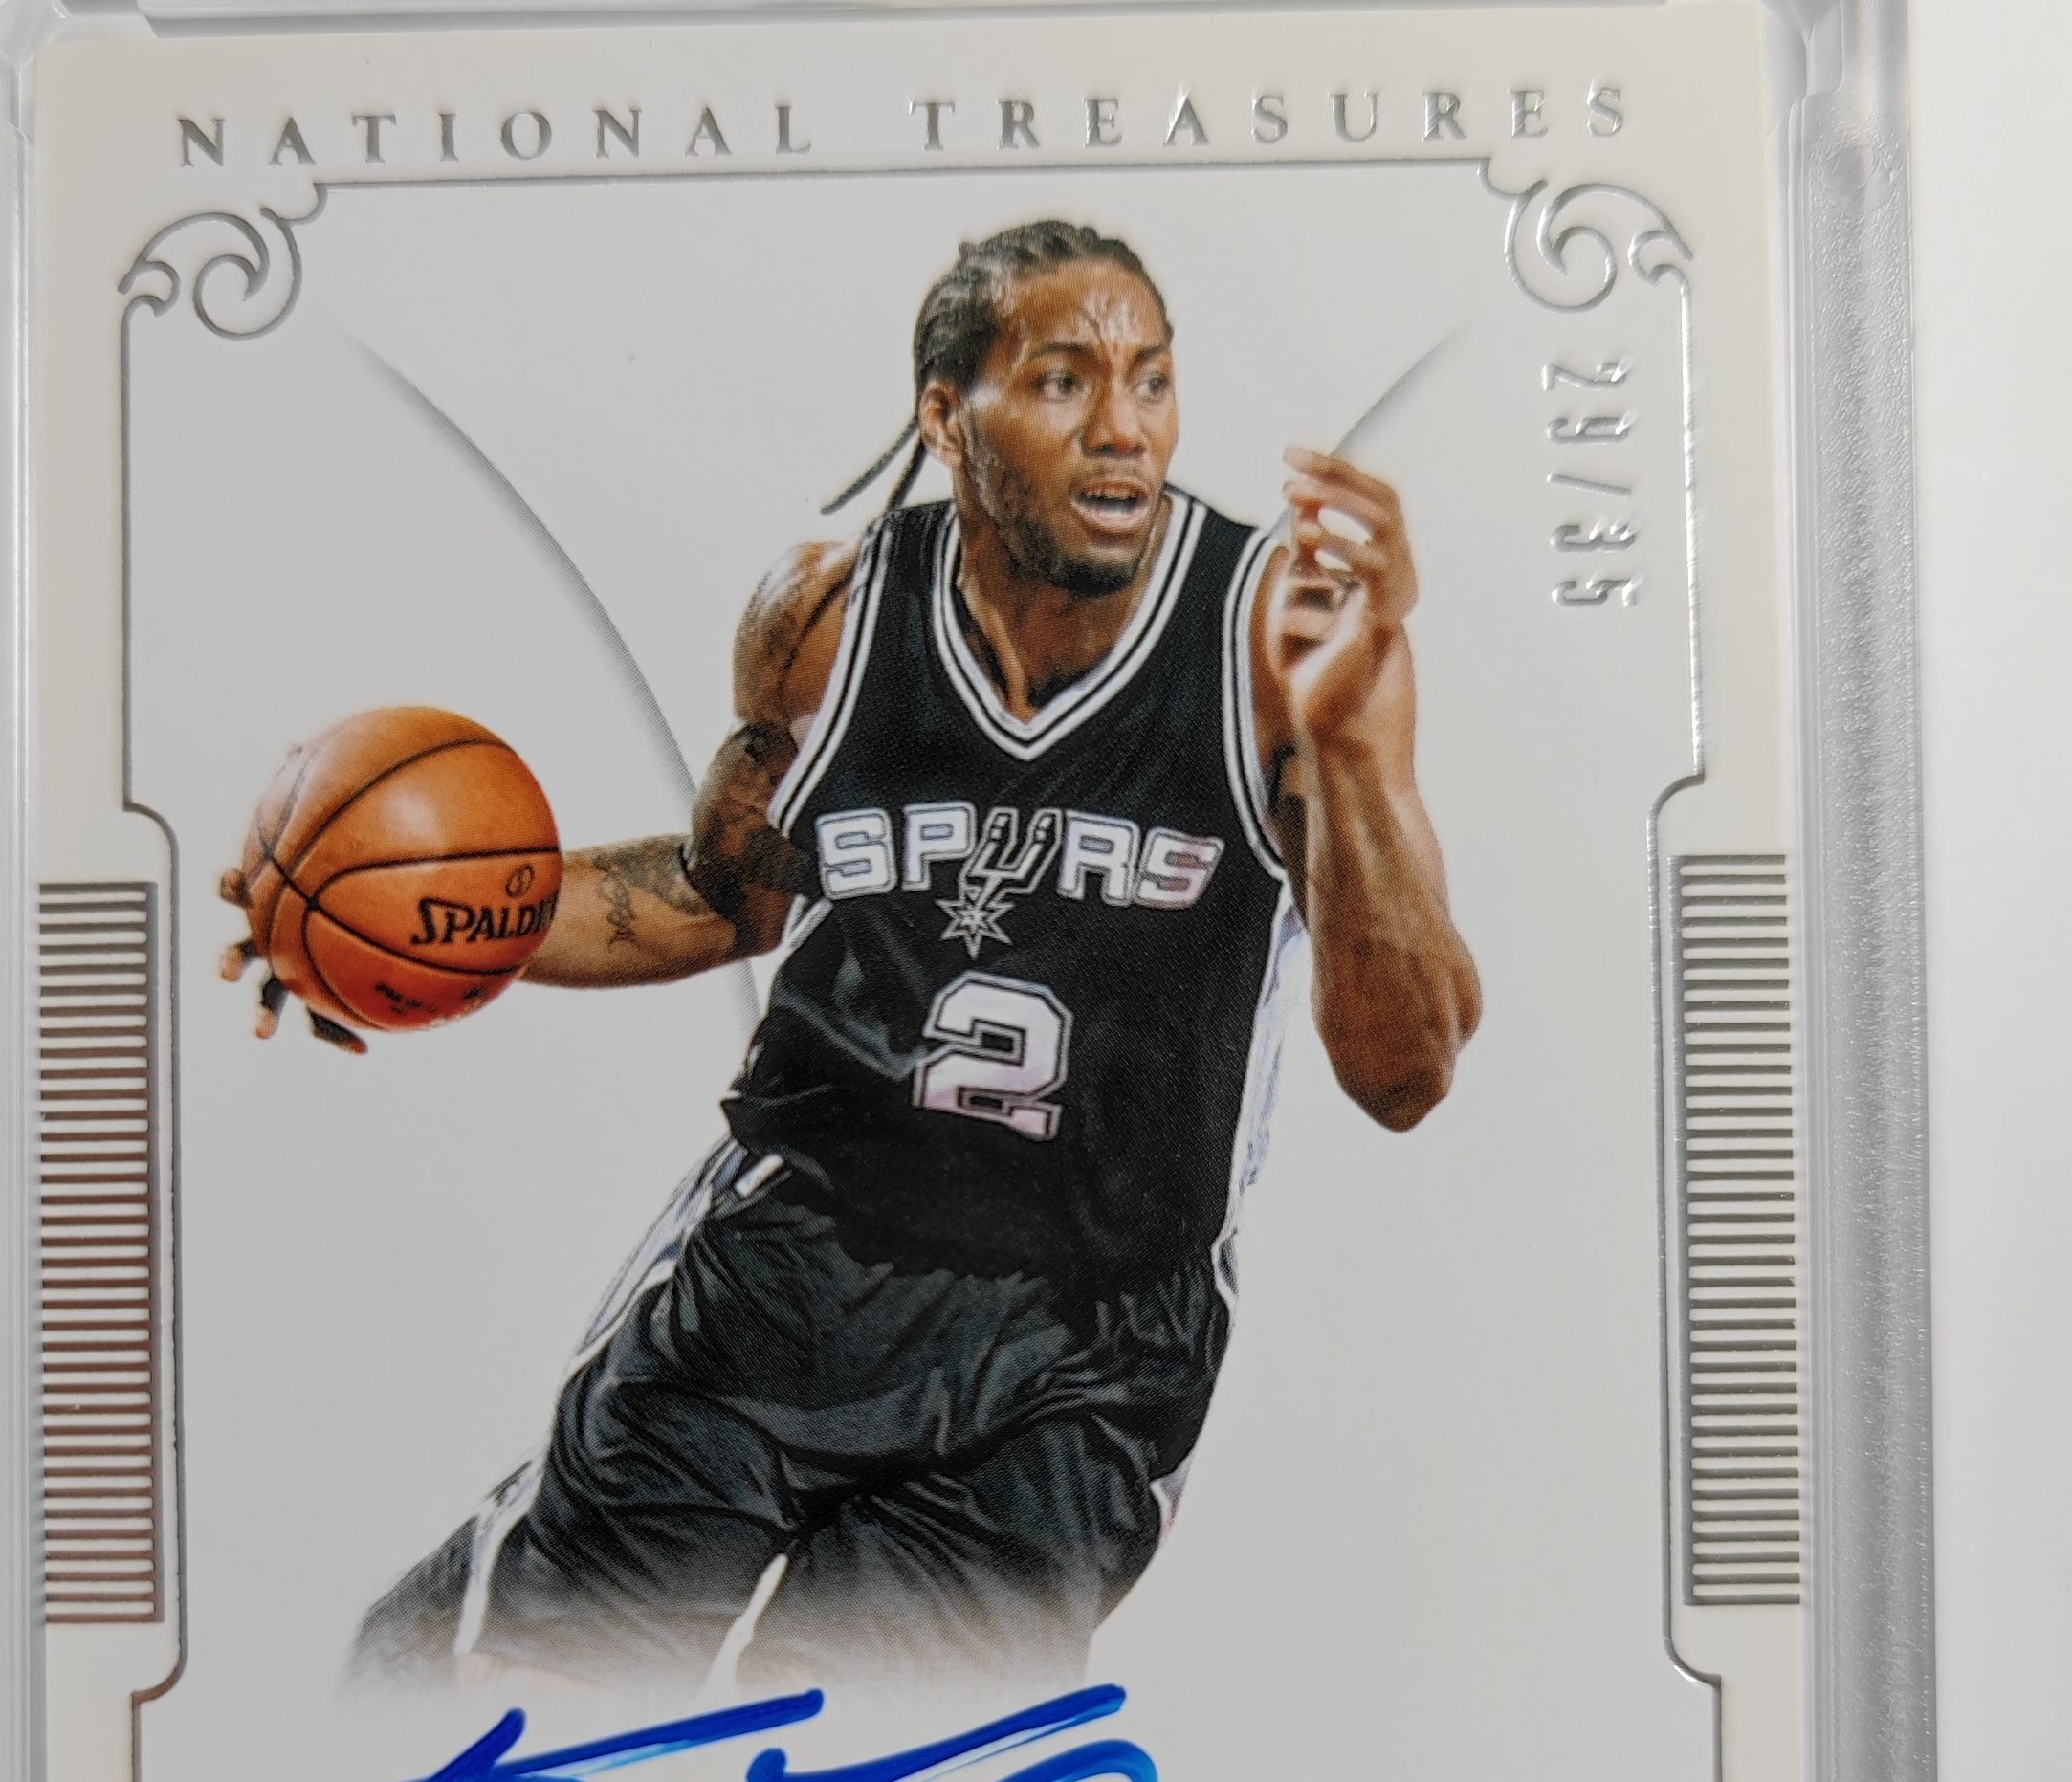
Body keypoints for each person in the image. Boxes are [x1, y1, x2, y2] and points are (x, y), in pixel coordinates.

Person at [353, 215, 1480, 1687]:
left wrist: (1351, 756)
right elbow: (721, 895)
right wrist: (417, 915)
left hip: (1085, 1345)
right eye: (1065, 381)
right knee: (472, 1697)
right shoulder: (828, 619)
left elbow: (1407, 1071)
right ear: (949, 416)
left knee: (858, 1766)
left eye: (1151, 379)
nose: (1125, 429)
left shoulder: (1279, 647)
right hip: (795, 1263)